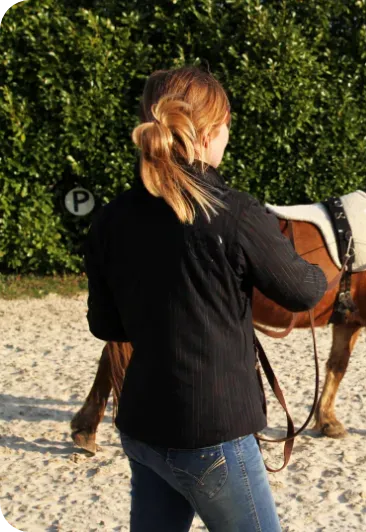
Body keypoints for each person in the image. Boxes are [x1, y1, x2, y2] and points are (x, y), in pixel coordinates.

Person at [83, 66, 328, 532]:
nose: (229, 135)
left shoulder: (110, 220)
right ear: (210, 132)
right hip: (213, 436)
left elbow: (106, 325)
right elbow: (304, 290)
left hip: (143, 425)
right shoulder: (235, 212)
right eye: (228, 124)